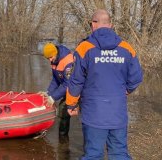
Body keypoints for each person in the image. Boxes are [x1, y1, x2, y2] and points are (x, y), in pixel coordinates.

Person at [66, 9, 143, 159]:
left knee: (93, 154)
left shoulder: (84, 48)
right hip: (117, 113)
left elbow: (76, 80)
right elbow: (137, 76)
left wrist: (71, 104)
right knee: (119, 153)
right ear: (111, 25)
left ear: (93, 24)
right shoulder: (126, 48)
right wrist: (127, 90)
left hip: (93, 113)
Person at [43, 42, 74, 137]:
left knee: (85, 117)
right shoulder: (54, 61)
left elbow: (67, 84)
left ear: (55, 53)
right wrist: (48, 93)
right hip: (68, 88)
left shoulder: (68, 61)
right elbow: (56, 79)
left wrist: (53, 97)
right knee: (63, 112)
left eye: (51, 57)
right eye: (48, 58)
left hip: (78, 89)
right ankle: (62, 141)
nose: (50, 60)